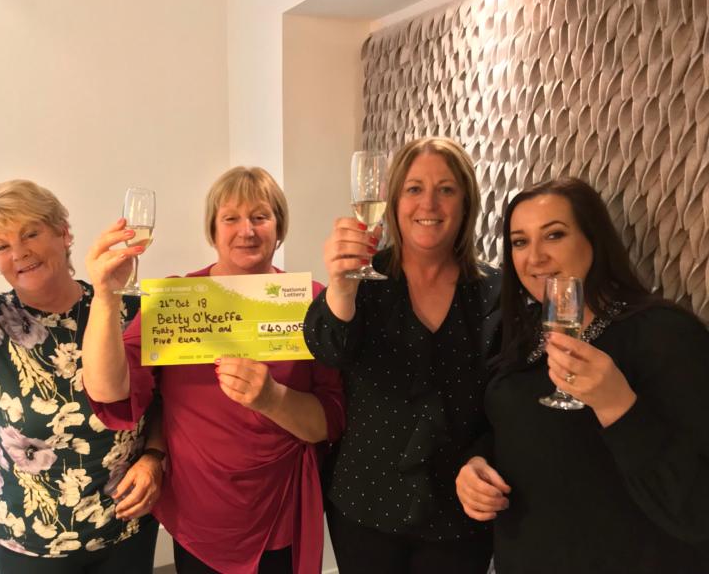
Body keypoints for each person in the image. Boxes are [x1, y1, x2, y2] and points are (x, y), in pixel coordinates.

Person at [81, 166, 345, 574]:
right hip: (202, 511)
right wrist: (105, 297)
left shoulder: (312, 302)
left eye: (260, 216)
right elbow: (110, 390)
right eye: (231, 218)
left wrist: (271, 398)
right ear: (212, 229)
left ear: (279, 227)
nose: (247, 231)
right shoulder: (177, 300)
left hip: (282, 506)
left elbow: (329, 422)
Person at [455, 177, 709, 573]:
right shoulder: (524, 335)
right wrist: (475, 465)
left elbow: (695, 508)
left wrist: (617, 405)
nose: (534, 257)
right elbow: (519, 427)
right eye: (520, 242)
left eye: (554, 235)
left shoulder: (663, 333)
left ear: (594, 240)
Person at [0, 178, 163, 573]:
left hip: (126, 529)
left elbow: (165, 402)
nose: (20, 252)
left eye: (31, 233)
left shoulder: (126, 309)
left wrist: (153, 457)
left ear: (64, 234)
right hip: (29, 542)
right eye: (1, 245)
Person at [303, 137, 501, 574]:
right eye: (414, 188)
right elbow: (327, 348)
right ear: (393, 201)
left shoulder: (494, 291)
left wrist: (484, 457)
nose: (428, 202)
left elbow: (507, 400)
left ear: (466, 203)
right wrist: (340, 285)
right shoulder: (364, 281)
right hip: (366, 502)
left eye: (446, 189)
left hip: (458, 510)